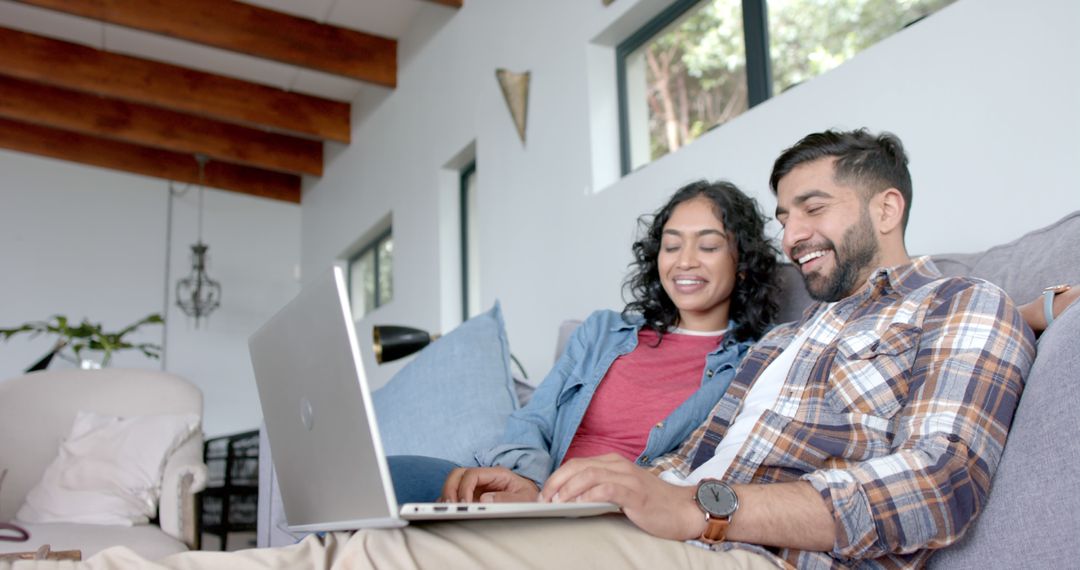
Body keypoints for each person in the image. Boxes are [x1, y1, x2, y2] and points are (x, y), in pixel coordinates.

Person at [77, 129, 1040, 569]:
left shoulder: (966, 304)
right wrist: (583, 483)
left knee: (390, 558)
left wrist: (691, 504)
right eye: (785, 214)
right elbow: (648, 453)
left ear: (888, 205)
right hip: (656, 513)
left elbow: (939, 487)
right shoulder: (801, 333)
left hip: (749, 547)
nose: (794, 234)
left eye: (812, 208)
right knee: (377, 536)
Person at [390, 179, 780, 504]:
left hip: (615, 514)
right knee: (392, 477)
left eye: (708, 246)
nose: (684, 261)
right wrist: (526, 482)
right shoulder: (602, 331)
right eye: (672, 245)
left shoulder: (751, 364)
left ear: (742, 265)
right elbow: (535, 418)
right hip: (540, 496)